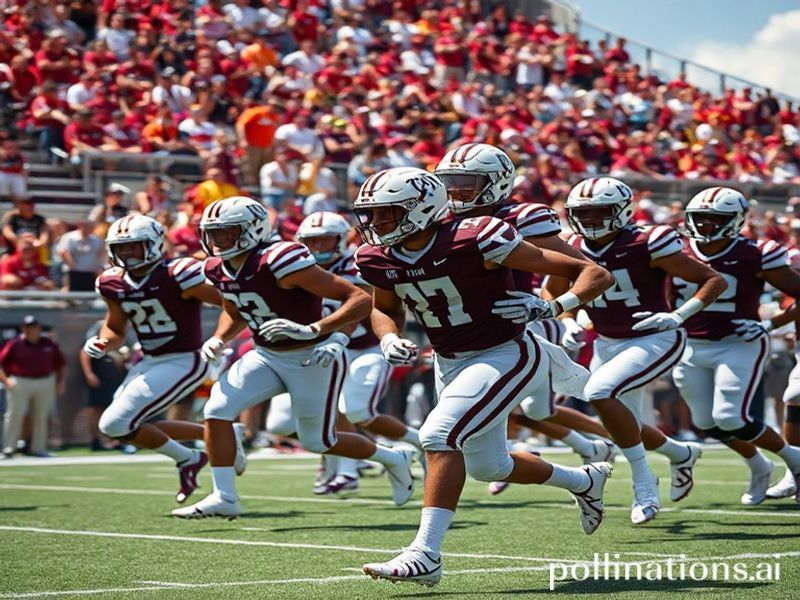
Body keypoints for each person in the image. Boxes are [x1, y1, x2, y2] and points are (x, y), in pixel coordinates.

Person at [354, 167, 614, 586]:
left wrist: (551, 306)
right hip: (449, 359)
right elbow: (384, 307)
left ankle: (426, 554)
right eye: (373, 214)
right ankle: (583, 480)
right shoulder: (376, 256)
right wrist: (387, 338)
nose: (376, 224)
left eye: (387, 213)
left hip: (506, 351)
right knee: (489, 467)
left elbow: (594, 274)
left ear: (421, 209)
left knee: (438, 436)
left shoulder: (477, 236)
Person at [172, 196, 415, 519]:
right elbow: (235, 310)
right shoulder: (217, 267)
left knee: (319, 441)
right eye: (213, 233)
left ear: (251, 230)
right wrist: (219, 338)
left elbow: (358, 299)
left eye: (226, 233)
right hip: (265, 354)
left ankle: (391, 457)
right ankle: (224, 495)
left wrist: (316, 330)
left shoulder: (280, 259)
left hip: (310, 357)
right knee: (216, 410)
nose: (217, 241)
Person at [434, 144, 619, 496]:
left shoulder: (522, 217)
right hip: (472, 335)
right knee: (525, 416)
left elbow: (587, 271)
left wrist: (552, 306)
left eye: (465, 182)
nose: (455, 191)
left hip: (524, 324)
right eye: (449, 182)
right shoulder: (440, 220)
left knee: (531, 408)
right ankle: (586, 455)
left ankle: (602, 442)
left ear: (496, 182)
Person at [546, 177, 727, 525]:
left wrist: (678, 315)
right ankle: (681, 453)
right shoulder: (571, 244)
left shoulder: (647, 241)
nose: (592, 220)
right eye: (584, 213)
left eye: (601, 212)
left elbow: (713, 279)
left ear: (622, 211)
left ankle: (643, 482)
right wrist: (569, 321)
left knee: (600, 392)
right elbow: (553, 292)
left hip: (654, 338)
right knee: (621, 422)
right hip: (606, 341)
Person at [84, 214, 233, 504]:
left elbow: (232, 301)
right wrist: (103, 342)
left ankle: (189, 457)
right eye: (121, 248)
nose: (126, 254)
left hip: (185, 358)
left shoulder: (178, 273)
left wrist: (219, 338)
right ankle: (222, 436)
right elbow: (115, 327)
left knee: (116, 424)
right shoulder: (112, 282)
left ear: (152, 245)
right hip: (149, 360)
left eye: (133, 247)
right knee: (127, 424)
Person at [673, 186, 800, 504]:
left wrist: (769, 324)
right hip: (690, 345)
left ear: (736, 220)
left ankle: (795, 458)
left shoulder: (756, 252)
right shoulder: (675, 249)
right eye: (699, 219)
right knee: (705, 422)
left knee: (730, 417)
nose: (705, 226)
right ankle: (759, 465)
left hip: (738, 343)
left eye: (714, 219)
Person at [294, 211, 424, 494]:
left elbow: (361, 306)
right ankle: (345, 467)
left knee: (358, 411)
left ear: (340, 240)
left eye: (325, 241)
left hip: (366, 347)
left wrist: (338, 336)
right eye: (312, 242)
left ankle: (417, 443)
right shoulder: (300, 268)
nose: (317, 248)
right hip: (328, 348)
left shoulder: (357, 263)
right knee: (308, 414)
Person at [0, 315, 65, 458]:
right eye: (27, 327)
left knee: (41, 416)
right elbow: (1, 363)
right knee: (14, 415)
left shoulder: (48, 343)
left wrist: (60, 382)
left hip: (45, 381)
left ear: (38, 328)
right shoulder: (15, 343)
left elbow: (60, 364)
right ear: (23, 329)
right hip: (20, 381)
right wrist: (6, 381)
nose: (31, 330)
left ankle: (38, 448)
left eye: (33, 327)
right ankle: (9, 448)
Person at [79, 319, 129, 451]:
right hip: (100, 379)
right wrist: (89, 374)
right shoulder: (97, 340)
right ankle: (95, 440)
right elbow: (85, 353)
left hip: (115, 380)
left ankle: (115, 440)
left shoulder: (118, 343)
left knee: (116, 410)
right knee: (97, 410)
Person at [56, 220, 105, 291]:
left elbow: (100, 255)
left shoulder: (97, 240)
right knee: (72, 296)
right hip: (73, 274)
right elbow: (63, 252)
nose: (87, 228)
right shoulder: (69, 238)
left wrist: (99, 269)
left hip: (91, 274)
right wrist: (72, 265)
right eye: (85, 226)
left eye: (90, 226)